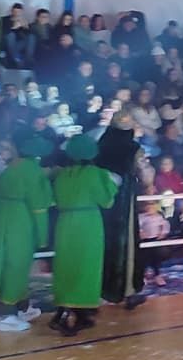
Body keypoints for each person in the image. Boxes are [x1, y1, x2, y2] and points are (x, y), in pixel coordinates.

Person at [49, 133, 119, 336]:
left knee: (66, 267)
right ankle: (71, 314)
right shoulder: (95, 173)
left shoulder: (62, 174)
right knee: (86, 267)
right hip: (88, 223)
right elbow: (106, 201)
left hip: (65, 223)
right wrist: (112, 183)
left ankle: (73, 313)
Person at [0, 133, 53, 332]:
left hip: (4, 217)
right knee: (16, 265)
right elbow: (39, 206)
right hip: (21, 221)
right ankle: (6, 315)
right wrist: (43, 237)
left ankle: (23, 307)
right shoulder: (32, 171)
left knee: (9, 263)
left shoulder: (12, 167)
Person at [95, 108, 148, 311]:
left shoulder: (100, 146)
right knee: (125, 246)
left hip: (100, 201)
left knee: (103, 243)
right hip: (123, 202)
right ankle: (125, 290)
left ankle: (99, 289)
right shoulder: (133, 149)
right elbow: (145, 176)